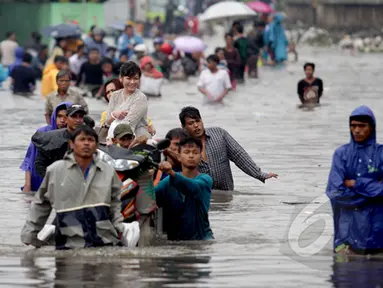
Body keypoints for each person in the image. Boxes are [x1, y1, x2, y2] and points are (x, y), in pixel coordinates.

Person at [21, 125, 124, 249]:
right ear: (71, 144)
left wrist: (119, 227)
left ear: (97, 145)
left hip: (104, 241)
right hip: (68, 242)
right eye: (82, 139)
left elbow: (115, 204)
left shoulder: (108, 171)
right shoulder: (55, 171)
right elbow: (41, 204)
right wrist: (30, 233)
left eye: (90, 140)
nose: (86, 143)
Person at [326, 106, 383, 255]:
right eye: (353, 126)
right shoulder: (341, 154)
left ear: (372, 127)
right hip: (346, 239)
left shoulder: (380, 154)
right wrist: (371, 195)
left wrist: (356, 184)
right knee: (343, 276)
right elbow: (335, 192)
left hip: (378, 236)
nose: (357, 130)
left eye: (362, 126)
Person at [179, 106, 278, 191]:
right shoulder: (183, 146)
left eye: (198, 121)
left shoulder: (219, 134)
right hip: (200, 196)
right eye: (191, 123)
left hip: (225, 196)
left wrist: (260, 174)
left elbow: (239, 155)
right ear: (183, 127)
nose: (196, 125)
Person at [155, 137, 214, 241]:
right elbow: (152, 196)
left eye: (195, 152)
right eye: (186, 152)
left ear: (201, 156)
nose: (191, 156)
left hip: (202, 241)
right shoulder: (167, 181)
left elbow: (192, 187)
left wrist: (171, 173)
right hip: (176, 241)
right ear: (179, 156)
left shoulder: (205, 180)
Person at [20, 102, 71, 192]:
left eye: (66, 117)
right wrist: (27, 185)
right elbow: (29, 159)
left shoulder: (73, 136)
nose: (62, 120)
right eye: (59, 116)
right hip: (37, 181)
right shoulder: (42, 133)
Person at [32, 104, 86, 178]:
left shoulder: (89, 138)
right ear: (66, 119)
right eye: (74, 116)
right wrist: (53, 180)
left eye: (80, 116)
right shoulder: (52, 138)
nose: (77, 120)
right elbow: (39, 164)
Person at [105, 61, 150, 138]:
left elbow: (128, 125)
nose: (132, 82)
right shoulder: (115, 95)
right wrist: (114, 115)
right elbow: (107, 122)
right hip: (114, 138)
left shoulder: (141, 98)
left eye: (135, 79)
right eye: (128, 78)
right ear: (121, 78)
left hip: (138, 140)